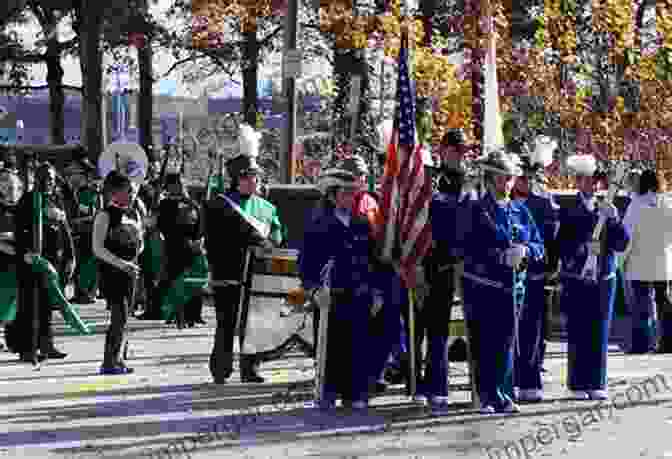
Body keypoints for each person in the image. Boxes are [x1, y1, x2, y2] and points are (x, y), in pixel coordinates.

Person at [460, 149, 544, 413]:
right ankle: (485, 396)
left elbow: (539, 244)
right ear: (489, 179)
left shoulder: (519, 209)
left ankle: (502, 395)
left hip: (513, 288)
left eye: (509, 178)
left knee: (506, 343)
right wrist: (499, 256)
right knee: (485, 342)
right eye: (500, 178)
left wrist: (526, 251)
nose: (506, 183)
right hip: (483, 287)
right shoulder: (475, 209)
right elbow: (466, 248)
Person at [205, 124, 283, 384]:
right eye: (248, 177)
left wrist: (269, 242)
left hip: (257, 273)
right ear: (236, 179)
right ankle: (221, 368)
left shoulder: (267, 207)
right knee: (226, 323)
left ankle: (250, 369)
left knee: (255, 324)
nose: (253, 181)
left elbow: (277, 235)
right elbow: (216, 239)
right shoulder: (219, 204)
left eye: (256, 177)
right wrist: (248, 242)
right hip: (229, 271)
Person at [300, 167, 381, 409]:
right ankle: (327, 392)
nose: (350, 197)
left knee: (358, 346)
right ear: (333, 195)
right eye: (345, 193)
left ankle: (355, 393)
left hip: (359, 295)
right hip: (331, 297)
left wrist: (376, 291)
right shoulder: (318, 225)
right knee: (331, 347)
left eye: (353, 193)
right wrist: (314, 290)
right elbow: (306, 264)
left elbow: (372, 261)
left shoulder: (362, 224)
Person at [557, 154, 629, 400]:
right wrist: (581, 250)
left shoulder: (607, 208)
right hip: (578, 277)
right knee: (578, 329)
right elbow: (561, 245)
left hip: (603, 278)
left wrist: (615, 219)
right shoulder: (568, 209)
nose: (589, 184)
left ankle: (597, 381)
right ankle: (577, 384)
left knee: (599, 329)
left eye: (592, 180)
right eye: (583, 179)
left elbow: (622, 243)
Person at [420, 129, 473, 410]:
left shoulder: (471, 181)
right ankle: (435, 385)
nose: (458, 156)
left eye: (462, 151)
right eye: (454, 150)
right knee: (437, 326)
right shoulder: (432, 181)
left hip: (468, 263)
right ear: (443, 150)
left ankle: (479, 388)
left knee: (473, 327)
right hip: (438, 262)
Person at [9, 162, 75, 363]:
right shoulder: (27, 201)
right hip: (32, 260)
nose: (49, 183)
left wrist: (71, 256)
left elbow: (65, 230)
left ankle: (47, 345)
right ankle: (27, 348)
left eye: (53, 179)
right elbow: (19, 232)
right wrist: (25, 253)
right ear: (37, 180)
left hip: (54, 260)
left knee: (47, 306)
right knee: (29, 306)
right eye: (45, 179)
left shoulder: (56, 199)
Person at [511, 144, 560, 402]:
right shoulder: (504, 201)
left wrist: (550, 270)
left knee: (533, 332)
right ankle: (510, 381)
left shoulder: (544, 204)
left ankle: (530, 381)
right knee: (510, 333)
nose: (525, 180)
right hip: (508, 279)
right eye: (521, 175)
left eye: (530, 176)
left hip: (534, 277)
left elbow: (553, 242)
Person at [92, 170, 143, 375]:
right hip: (113, 273)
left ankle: (119, 358)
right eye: (127, 191)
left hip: (131, 272)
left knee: (125, 316)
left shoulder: (133, 213)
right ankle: (109, 361)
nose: (131, 195)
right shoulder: (105, 215)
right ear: (114, 192)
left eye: (132, 191)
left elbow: (138, 242)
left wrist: (139, 245)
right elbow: (97, 248)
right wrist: (122, 264)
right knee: (118, 316)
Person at [621, 169, 672, 354]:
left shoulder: (636, 205)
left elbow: (627, 236)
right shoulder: (668, 203)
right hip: (663, 262)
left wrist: (622, 260)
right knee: (664, 302)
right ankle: (668, 343)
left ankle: (642, 344)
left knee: (642, 305)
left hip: (639, 262)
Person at [156, 172, 205, 327]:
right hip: (174, 248)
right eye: (176, 184)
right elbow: (164, 227)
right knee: (176, 282)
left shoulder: (192, 204)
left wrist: (198, 240)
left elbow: (200, 226)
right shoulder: (164, 205)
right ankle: (177, 314)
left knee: (194, 282)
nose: (180, 186)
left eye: (181, 183)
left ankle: (193, 315)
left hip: (193, 249)